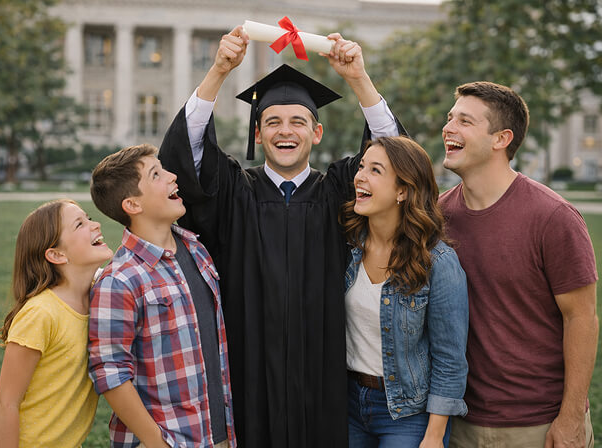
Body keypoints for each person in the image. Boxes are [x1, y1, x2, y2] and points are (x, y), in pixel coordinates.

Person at [159, 25, 405, 447]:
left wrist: (358, 79)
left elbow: (396, 158)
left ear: (317, 133)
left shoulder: (341, 191)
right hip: (248, 366)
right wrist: (219, 71)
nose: (284, 131)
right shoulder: (235, 191)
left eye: (297, 121)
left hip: (322, 371)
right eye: (272, 121)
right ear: (258, 134)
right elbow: (189, 153)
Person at [438, 81, 598, 448]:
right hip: (460, 421)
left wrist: (571, 417)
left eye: (465, 121)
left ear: (501, 138)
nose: (448, 128)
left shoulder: (553, 217)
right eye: (450, 118)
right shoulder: (439, 215)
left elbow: (582, 318)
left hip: (536, 425)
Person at [88, 143, 235, 448]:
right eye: (156, 174)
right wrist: (158, 443)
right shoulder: (119, 280)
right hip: (167, 440)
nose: (172, 176)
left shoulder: (196, 249)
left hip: (218, 435)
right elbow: (111, 374)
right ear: (132, 205)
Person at [342, 136, 468, 447]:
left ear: (403, 190)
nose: (360, 176)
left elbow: (449, 359)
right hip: (349, 404)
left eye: (376, 170)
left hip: (408, 414)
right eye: (361, 167)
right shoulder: (347, 248)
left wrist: (434, 436)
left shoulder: (437, 263)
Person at [0, 199, 114, 447]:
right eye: (80, 224)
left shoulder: (101, 297)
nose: (95, 226)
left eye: (89, 218)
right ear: (56, 254)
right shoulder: (40, 314)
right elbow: (6, 403)